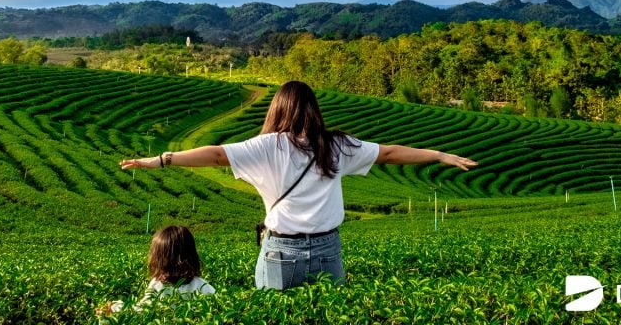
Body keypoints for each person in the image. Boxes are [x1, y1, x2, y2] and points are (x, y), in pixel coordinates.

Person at [120, 80, 478, 290]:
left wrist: (162, 159)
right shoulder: (335, 145)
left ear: (277, 109)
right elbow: (390, 153)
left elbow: (215, 155)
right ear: (314, 110)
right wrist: (438, 154)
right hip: (328, 249)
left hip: (280, 252)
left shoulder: (266, 146)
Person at [96, 225, 216, 317]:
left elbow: (140, 309)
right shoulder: (202, 285)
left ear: (159, 259)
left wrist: (114, 308)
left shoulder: (157, 284)